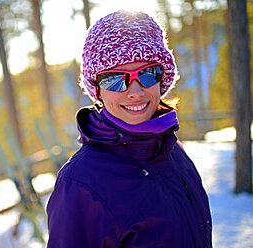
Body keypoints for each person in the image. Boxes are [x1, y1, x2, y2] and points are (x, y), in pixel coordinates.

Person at [46, 10, 212, 248]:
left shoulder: (174, 152)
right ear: (98, 90)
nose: (134, 91)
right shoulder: (81, 183)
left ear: (161, 79)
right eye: (115, 79)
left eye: (147, 73)